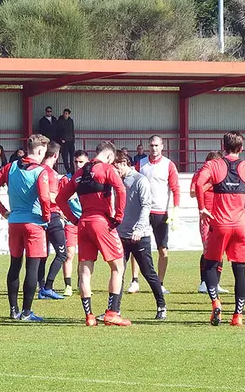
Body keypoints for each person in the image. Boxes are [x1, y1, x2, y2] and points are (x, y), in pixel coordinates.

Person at [195, 131, 245, 326]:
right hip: (240, 225)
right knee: (240, 269)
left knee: (211, 264)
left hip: (219, 224)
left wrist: (202, 208)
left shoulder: (214, 165)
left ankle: (215, 302)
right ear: (242, 148)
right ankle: (238, 316)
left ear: (223, 146)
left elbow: (199, 183)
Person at [57, 141, 130, 327]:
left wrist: (74, 219)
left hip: (83, 223)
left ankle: (89, 316)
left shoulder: (80, 173)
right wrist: (119, 216)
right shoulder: (106, 169)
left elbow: (60, 198)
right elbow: (121, 189)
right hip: (101, 222)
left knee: (85, 271)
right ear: (110, 156)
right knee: (118, 267)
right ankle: (112, 313)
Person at [0, 134, 52, 322]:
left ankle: (13, 309)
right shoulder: (41, 171)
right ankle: (26, 312)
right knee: (32, 267)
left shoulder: (10, 167)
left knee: (15, 265)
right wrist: (46, 217)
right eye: (43, 153)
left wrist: (3, 211)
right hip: (34, 224)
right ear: (40, 150)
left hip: (14, 222)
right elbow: (45, 198)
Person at [113, 151, 167, 320]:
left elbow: (146, 205)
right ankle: (114, 310)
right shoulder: (117, 181)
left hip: (139, 236)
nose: (115, 171)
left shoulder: (139, 180)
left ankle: (161, 305)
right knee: (118, 272)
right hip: (121, 235)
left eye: (116, 167)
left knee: (148, 272)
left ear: (123, 163)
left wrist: (139, 228)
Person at [133, 135, 180, 294]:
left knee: (162, 249)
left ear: (162, 146)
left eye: (157, 145)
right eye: (151, 145)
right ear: (148, 146)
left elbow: (175, 188)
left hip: (161, 212)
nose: (154, 148)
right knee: (136, 244)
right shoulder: (141, 164)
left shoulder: (169, 165)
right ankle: (135, 280)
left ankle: (160, 283)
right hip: (143, 211)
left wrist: (176, 209)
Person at [192, 151, 229, 294]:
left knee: (220, 250)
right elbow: (193, 192)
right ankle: (203, 282)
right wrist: (209, 184)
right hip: (206, 217)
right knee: (207, 249)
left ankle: (215, 283)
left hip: (221, 216)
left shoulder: (222, 175)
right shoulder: (200, 174)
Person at [36, 141, 68, 299]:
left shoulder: (36, 170)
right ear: (55, 155)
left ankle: (41, 287)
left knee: (42, 254)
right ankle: (47, 287)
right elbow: (50, 196)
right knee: (63, 254)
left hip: (38, 216)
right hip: (52, 216)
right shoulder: (52, 173)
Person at [59, 150, 89, 297]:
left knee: (84, 256)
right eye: (76, 162)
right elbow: (57, 199)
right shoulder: (66, 180)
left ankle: (81, 284)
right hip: (71, 222)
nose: (78, 165)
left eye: (81, 162)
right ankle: (68, 285)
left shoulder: (91, 179)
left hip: (86, 222)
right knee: (69, 254)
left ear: (87, 162)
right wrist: (63, 214)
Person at [56, 108, 76, 174]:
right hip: (64, 142)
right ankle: (69, 171)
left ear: (69, 114)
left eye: (66, 114)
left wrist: (73, 140)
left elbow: (72, 131)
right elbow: (58, 131)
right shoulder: (60, 121)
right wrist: (61, 139)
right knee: (65, 158)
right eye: (64, 113)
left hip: (71, 141)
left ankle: (73, 172)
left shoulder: (71, 121)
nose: (65, 115)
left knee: (71, 158)